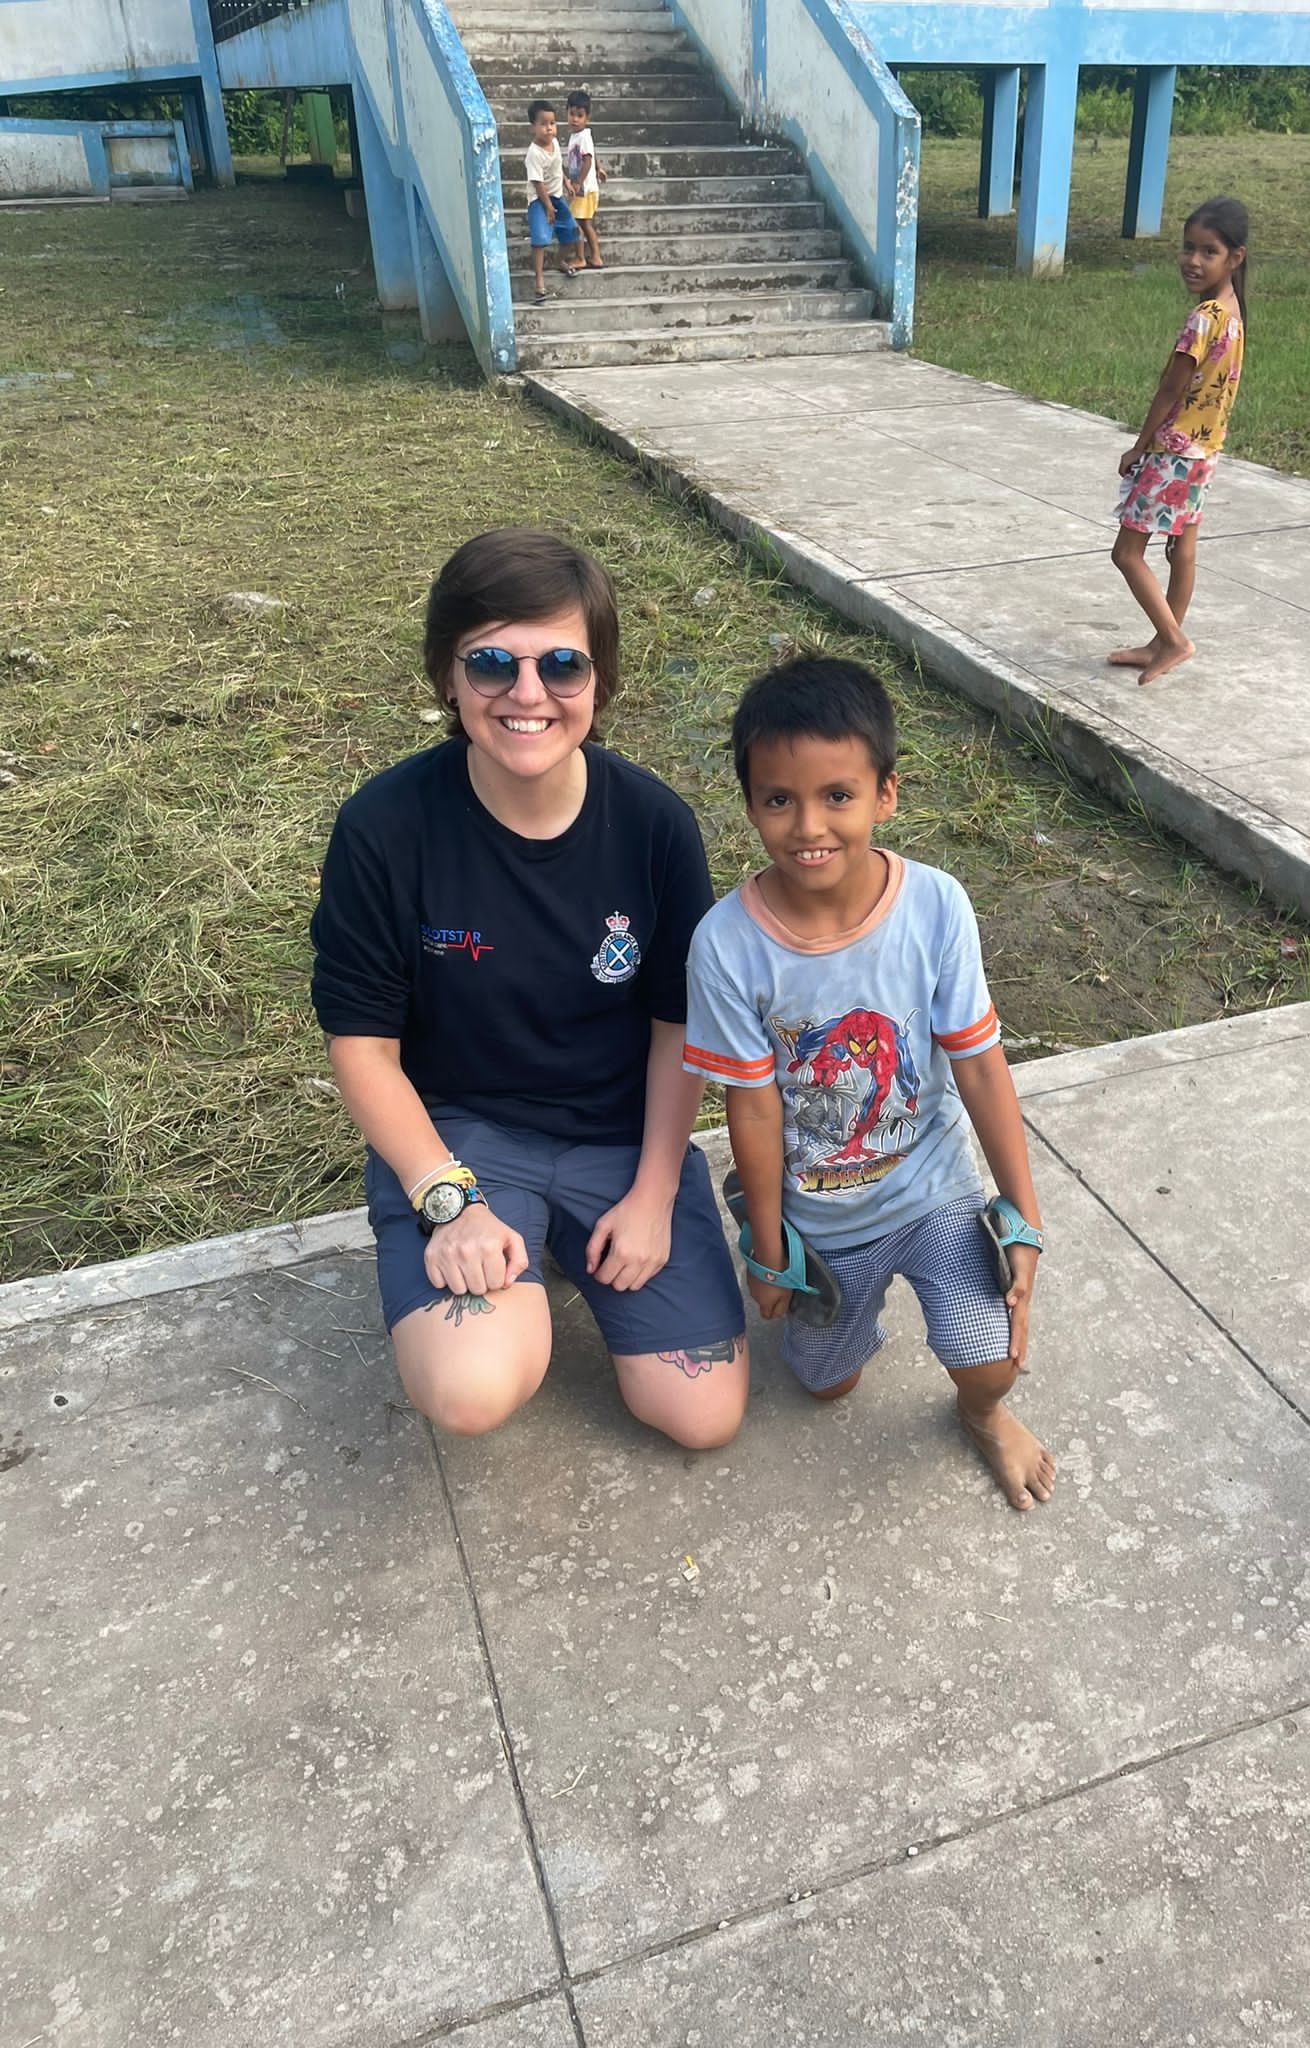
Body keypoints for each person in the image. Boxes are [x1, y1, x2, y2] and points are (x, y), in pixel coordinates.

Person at [311, 529, 748, 1450]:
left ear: (599, 679)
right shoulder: (384, 828)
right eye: (491, 664)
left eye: (561, 664)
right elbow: (362, 1045)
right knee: (473, 1388)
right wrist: (447, 1198)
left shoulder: (656, 827)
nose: (528, 694)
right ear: (446, 676)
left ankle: (570, 1230)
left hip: (621, 1138)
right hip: (467, 1135)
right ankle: (513, 1226)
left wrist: (655, 1191)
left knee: (701, 1415)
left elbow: (678, 1027)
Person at [683, 658, 1055, 1512]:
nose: (808, 825)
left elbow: (979, 1063)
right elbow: (753, 1100)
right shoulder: (726, 944)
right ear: (749, 804)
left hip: (931, 1187)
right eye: (779, 799)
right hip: (820, 1215)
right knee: (823, 1383)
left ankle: (981, 1415)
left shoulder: (936, 906)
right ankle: (781, 1237)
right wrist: (769, 1251)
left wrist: (1022, 1213)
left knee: (996, 1361)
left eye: (837, 796)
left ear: (887, 793)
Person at [1109, 195, 1249, 685]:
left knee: (1126, 553)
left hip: (1173, 452)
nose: (1192, 260)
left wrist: (1139, 445)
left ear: (1235, 257)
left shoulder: (1203, 317)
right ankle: (1160, 640)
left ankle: (1172, 640)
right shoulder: (1233, 316)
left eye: (1208, 251)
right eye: (1188, 248)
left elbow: (1171, 388)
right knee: (1181, 550)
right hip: (1203, 452)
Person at [525, 100, 583, 301]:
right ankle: (539, 281)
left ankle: (559, 260)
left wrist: (566, 182)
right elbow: (538, 183)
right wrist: (548, 207)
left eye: (552, 123)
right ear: (533, 126)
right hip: (539, 201)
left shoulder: (555, 143)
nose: (549, 128)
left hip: (557, 198)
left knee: (573, 233)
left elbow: (557, 168)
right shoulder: (534, 153)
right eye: (543, 124)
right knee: (540, 240)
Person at [564, 91, 608, 272]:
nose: (575, 119)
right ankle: (595, 257)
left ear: (587, 118)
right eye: (572, 114)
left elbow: (587, 159)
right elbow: (592, 154)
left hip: (584, 189)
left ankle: (581, 257)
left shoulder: (583, 136)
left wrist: (578, 182)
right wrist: (599, 168)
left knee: (577, 223)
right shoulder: (579, 136)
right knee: (584, 224)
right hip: (585, 189)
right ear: (566, 113)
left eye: (580, 116)